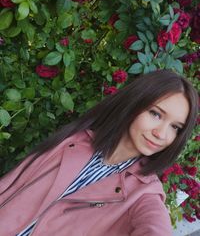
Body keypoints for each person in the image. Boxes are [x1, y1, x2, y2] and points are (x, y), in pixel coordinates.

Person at [0, 69, 198, 236]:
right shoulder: (76, 140)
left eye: (175, 127)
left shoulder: (144, 195)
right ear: (135, 103)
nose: (161, 134)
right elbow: (13, 184)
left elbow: (155, 226)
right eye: (156, 114)